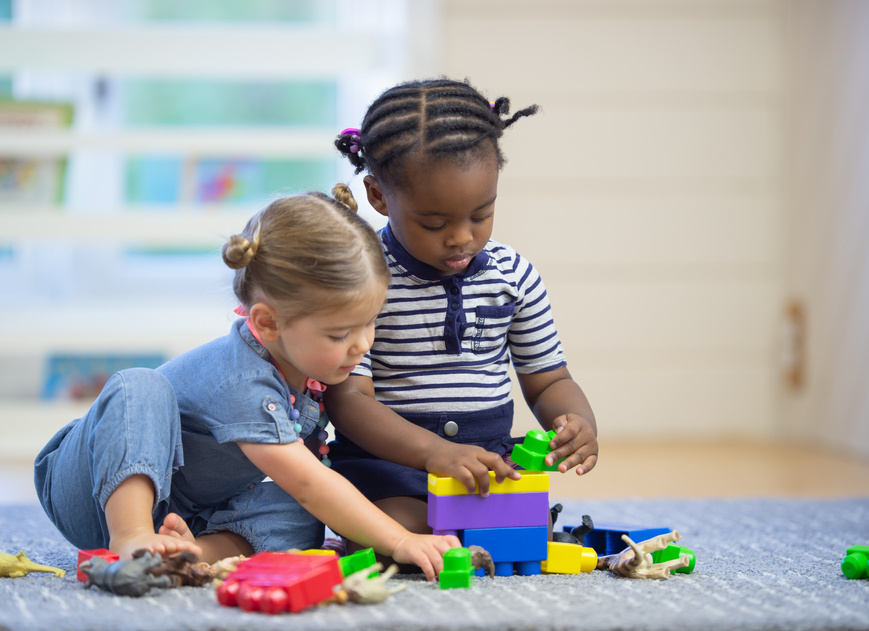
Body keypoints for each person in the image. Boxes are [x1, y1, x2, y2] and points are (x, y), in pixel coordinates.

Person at [33, 185, 459, 581]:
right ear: (268, 323)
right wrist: (400, 539)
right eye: (338, 335)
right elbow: (312, 481)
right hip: (90, 488)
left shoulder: (305, 369)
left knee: (301, 516)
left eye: (369, 323)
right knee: (139, 386)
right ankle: (132, 537)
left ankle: (189, 554)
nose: (362, 345)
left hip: (188, 507)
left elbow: (307, 488)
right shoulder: (244, 380)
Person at [326, 78, 598, 550]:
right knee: (397, 528)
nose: (461, 238)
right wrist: (434, 454)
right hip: (393, 467)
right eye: (434, 223)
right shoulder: (365, 281)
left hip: (485, 465)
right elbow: (348, 400)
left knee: (523, 532)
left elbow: (549, 380)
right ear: (379, 196)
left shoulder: (514, 276)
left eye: (481, 214)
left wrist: (576, 421)